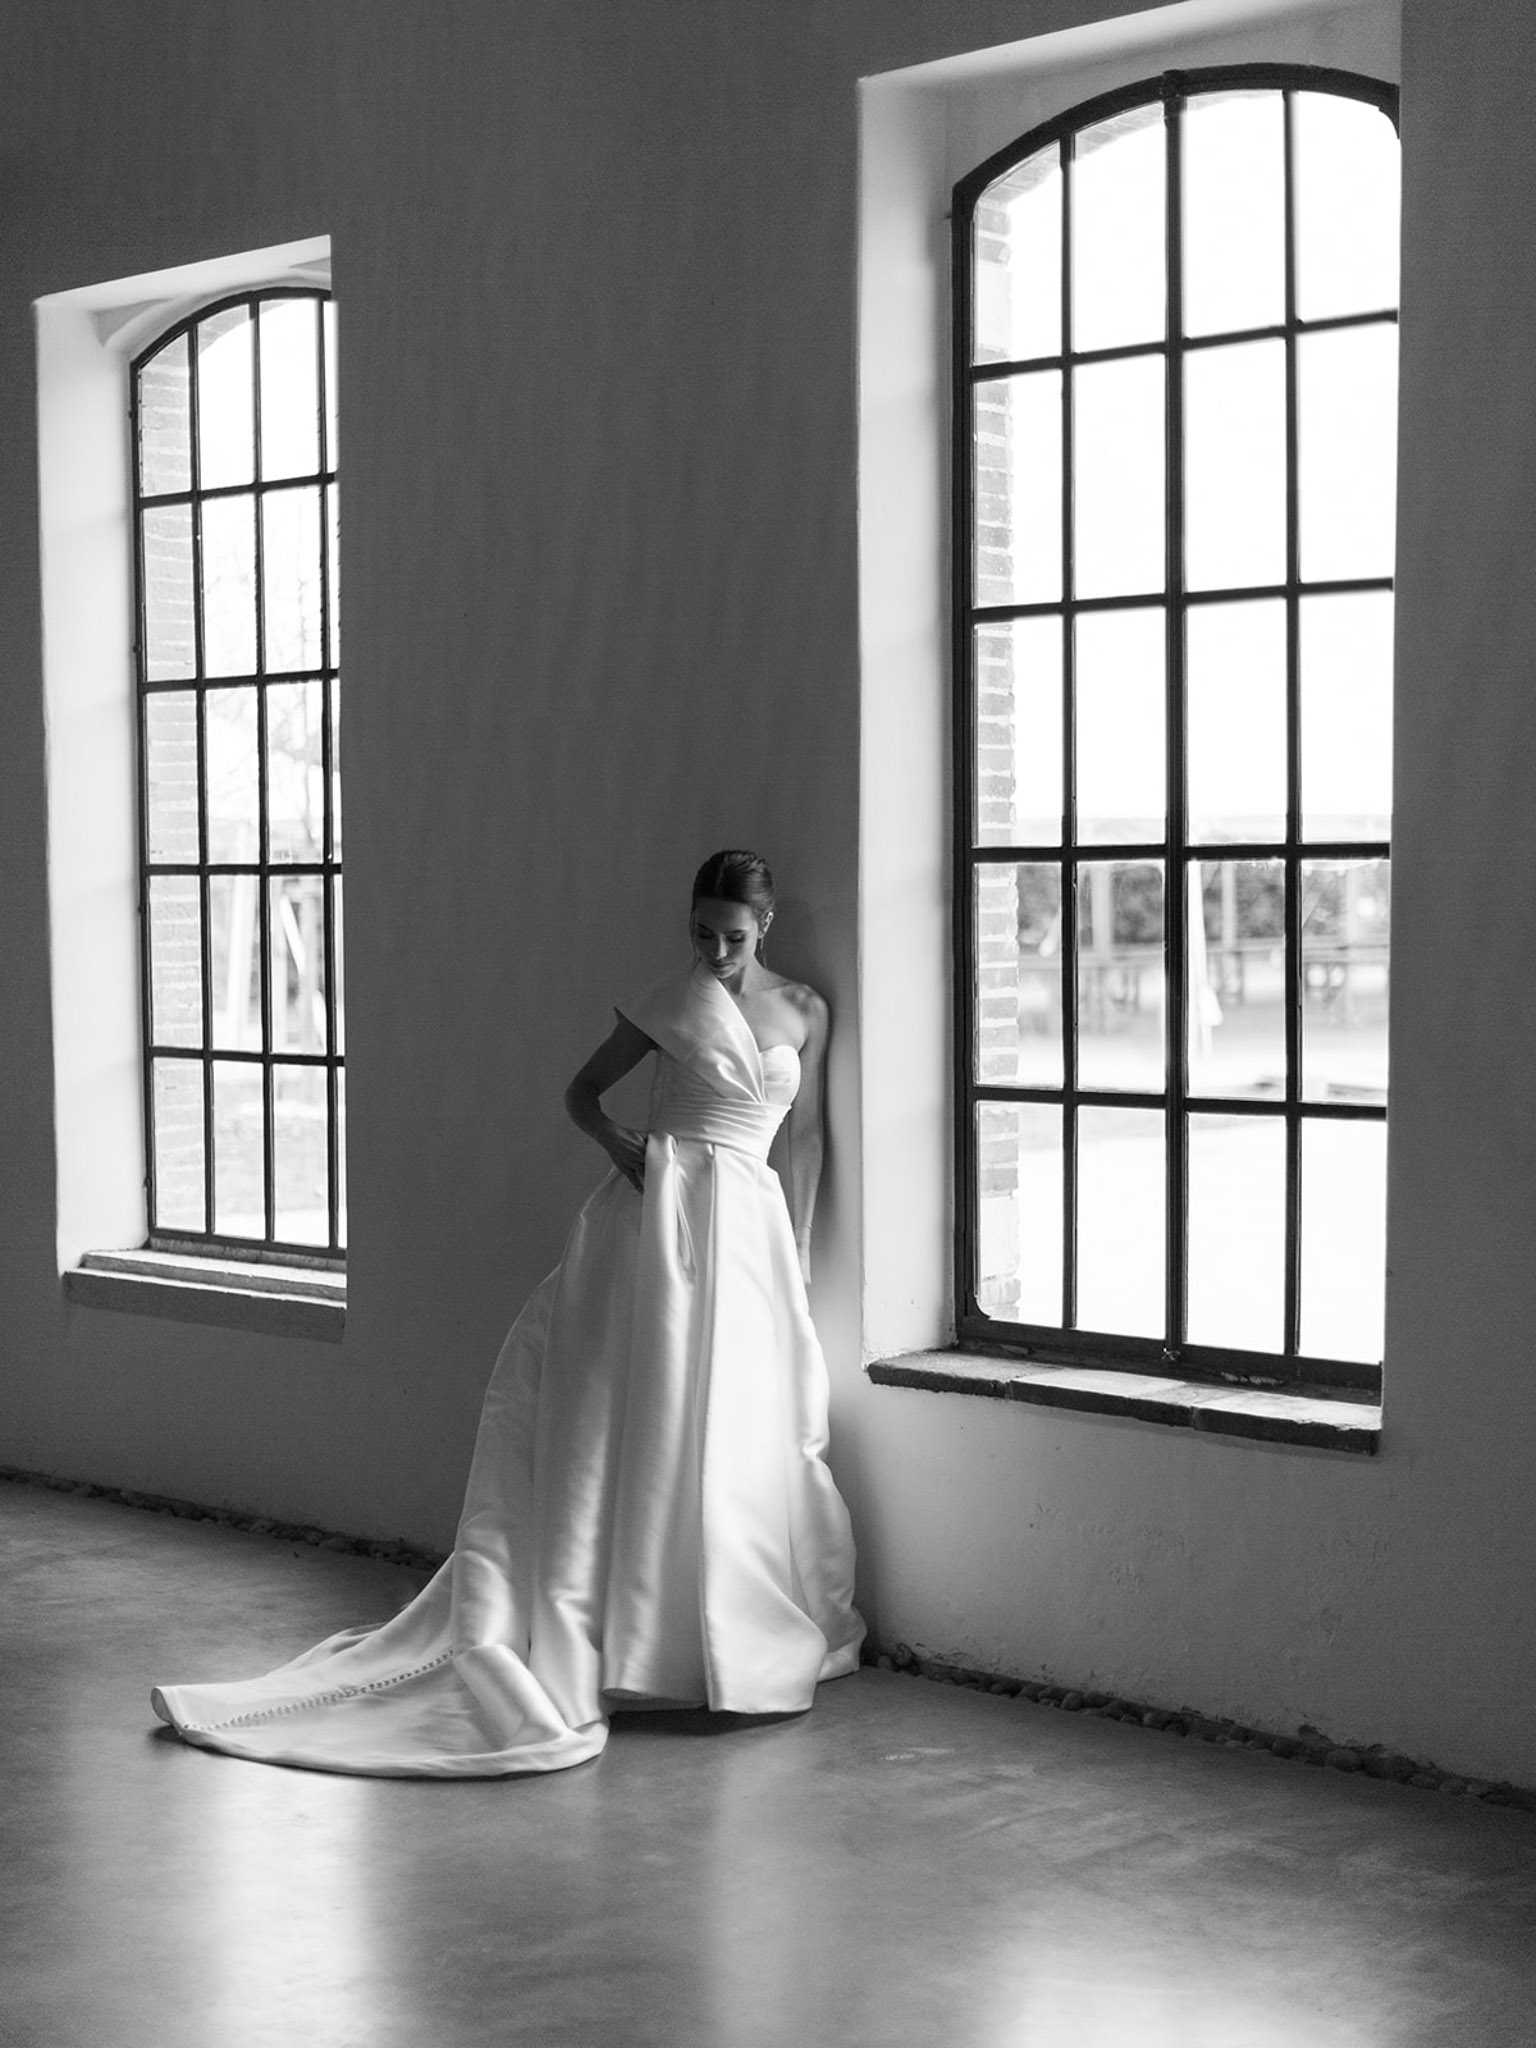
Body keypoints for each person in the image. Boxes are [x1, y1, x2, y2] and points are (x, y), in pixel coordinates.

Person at [150, 850, 865, 1777]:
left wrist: (795, 1250)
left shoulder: (806, 1011)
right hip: (659, 1220)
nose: (716, 952)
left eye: (732, 936)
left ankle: (717, 1624)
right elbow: (580, 1094)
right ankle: (635, 1628)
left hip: (750, 1231)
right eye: (701, 932)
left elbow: (804, 1143)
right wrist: (621, 1147)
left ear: (765, 925)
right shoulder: (668, 1000)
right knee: (639, 1410)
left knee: (739, 1419)